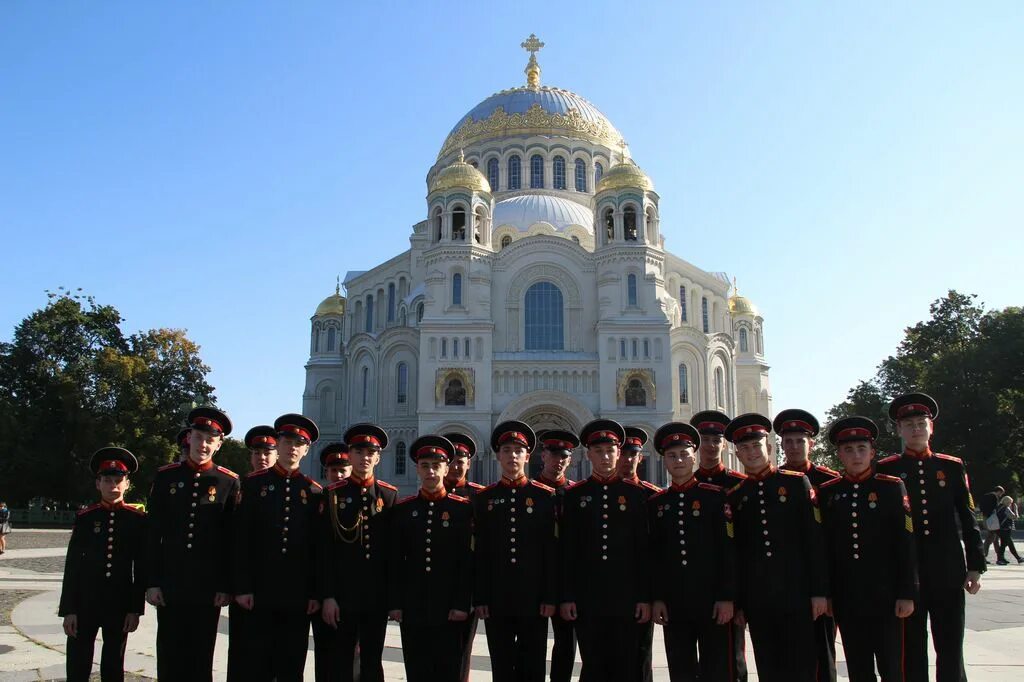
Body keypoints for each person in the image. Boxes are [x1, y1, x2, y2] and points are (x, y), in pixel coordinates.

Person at [875, 392, 985, 682]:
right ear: (899, 430)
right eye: (908, 424)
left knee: (950, 645)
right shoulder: (887, 470)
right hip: (907, 573)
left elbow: (967, 516)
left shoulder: (951, 466)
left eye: (921, 423)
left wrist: (975, 565)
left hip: (947, 568)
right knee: (910, 647)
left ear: (931, 427)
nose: (915, 429)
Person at [725, 413, 828, 682]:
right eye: (744, 449)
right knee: (769, 666)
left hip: (797, 594)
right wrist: (739, 602)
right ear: (737, 454)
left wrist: (819, 592)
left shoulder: (795, 483)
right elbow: (736, 553)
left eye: (756, 446)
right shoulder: (736, 496)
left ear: (769, 448)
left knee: (802, 665)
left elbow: (814, 541)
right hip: (758, 599)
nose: (751, 453)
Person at [818, 417, 917, 682]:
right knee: (858, 667)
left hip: (887, 595)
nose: (856, 455)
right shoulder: (829, 492)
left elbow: (905, 543)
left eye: (862, 449)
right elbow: (824, 549)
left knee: (892, 666)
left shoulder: (892, 487)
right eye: (848, 450)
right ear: (839, 454)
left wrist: (907, 592)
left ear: (872, 452)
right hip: (847, 597)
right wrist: (826, 593)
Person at [146, 406, 240, 682]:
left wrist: (225, 585)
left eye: (210, 440)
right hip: (171, 582)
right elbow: (153, 533)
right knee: (168, 655)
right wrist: (152, 581)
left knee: (201, 658)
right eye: (199, 438)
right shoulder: (167, 477)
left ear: (219, 444)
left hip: (207, 586)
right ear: (189, 438)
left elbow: (230, 539)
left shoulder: (228, 482)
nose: (204, 445)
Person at [559, 419, 650, 682]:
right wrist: (567, 597)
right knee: (594, 666)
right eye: (598, 451)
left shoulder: (635, 495)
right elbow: (568, 550)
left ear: (618, 453)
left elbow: (643, 550)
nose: (605, 457)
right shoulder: (576, 496)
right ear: (588, 455)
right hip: (589, 599)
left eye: (610, 451)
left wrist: (644, 596)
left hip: (627, 598)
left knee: (627, 666)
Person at [233, 415, 323, 681]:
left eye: (299, 443)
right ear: (278, 444)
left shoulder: (314, 491)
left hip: (296, 595)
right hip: (259, 592)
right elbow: (241, 539)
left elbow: (317, 549)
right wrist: (242, 586)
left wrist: (314, 593)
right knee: (257, 663)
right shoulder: (252, 485)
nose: (292, 448)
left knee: (291, 663)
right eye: (286, 441)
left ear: (306, 450)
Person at [649, 422, 736, 682]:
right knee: (681, 669)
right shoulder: (657, 504)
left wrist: (727, 597)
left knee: (717, 669)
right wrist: (658, 597)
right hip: (675, 603)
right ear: (664, 460)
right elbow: (655, 556)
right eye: (672, 456)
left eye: (684, 455)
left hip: (712, 601)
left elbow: (727, 550)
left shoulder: (716, 497)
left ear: (694, 456)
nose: (678, 461)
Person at [473, 421, 557, 682]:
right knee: (501, 665)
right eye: (507, 450)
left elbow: (550, 552)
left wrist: (549, 596)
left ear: (527, 456)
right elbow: (480, 553)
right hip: (497, 599)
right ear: (498, 455)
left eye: (518, 451)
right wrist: (481, 598)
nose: (512, 456)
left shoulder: (544, 497)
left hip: (534, 599)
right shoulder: (485, 499)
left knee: (533, 666)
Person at [388, 435, 473, 682]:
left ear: (446, 468)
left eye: (436, 466)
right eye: (425, 466)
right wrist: (395, 603)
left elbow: (466, 561)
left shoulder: (461, 509)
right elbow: (396, 560)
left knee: (449, 670)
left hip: (449, 607)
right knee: (417, 669)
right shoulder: (404, 510)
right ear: (417, 469)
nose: (431, 471)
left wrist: (461, 604)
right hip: (413, 606)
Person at [319, 424, 399, 682]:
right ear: (350, 455)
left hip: (376, 597)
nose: (365, 457)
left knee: (372, 661)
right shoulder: (333, 495)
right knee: (341, 661)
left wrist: (392, 599)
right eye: (359, 451)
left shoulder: (388, 495)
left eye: (370, 452)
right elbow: (326, 550)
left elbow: (393, 554)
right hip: (343, 596)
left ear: (378, 457)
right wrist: (328, 595)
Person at [60, 447, 147, 682]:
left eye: (119, 480)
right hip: (85, 601)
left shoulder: (136, 519)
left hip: (118, 603)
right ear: (98, 484)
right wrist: (68, 609)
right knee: (78, 663)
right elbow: (73, 566)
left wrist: (135, 609)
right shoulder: (86, 518)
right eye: (107, 480)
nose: (113, 486)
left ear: (127, 484)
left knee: (113, 664)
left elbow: (139, 567)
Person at [774, 409, 839, 682]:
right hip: (786, 583)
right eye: (788, 442)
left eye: (799, 441)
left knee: (822, 652)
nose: (793, 447)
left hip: (823, 581)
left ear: (811, 443)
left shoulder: (831, 481)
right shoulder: (772, 482)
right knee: (787, 655)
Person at [690, 410, 748, 682]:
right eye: (705, 440)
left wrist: (738, 597)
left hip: (729, 589)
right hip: (696, 589)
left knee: (731, 662)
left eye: (716, 440)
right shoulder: (688, 486)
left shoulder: (740, 486)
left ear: (724, 444)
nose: (711, 445)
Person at [227, 425, 279, 682]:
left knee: (272, 658)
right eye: (257, 453)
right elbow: (234, 541)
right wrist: (239, 585)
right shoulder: (240, 487)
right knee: (242, 655)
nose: (262, 458)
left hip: (275, 591)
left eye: (267, 452)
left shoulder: (292, 489)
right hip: (246, 588)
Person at [535, 430, 580, 682]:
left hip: (566, 581)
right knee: (533, 646)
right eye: (553, 455)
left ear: (571, 460)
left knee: (566, 646)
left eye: (564, 456)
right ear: (543, 455)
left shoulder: (575, 495)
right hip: (537, 581)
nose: (558, 461)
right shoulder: (531, 493)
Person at [618, 426, 661, 682]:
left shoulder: (652, 497)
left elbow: (657, 551)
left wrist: (653, 596)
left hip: (640, 593)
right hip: (608, 595)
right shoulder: (599, 494)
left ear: (640, 457)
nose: (627, 459)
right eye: (622, 454)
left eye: (632, 454)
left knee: (641, 657)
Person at [444, 431, 486, 681]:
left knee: (462, 652)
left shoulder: (480, 498)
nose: (456, 466)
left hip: (467, 589)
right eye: (452, 460)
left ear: (469, 463)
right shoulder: (428, 497)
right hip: (435, 588)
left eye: (462, 460)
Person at [312, 442, 354, 681]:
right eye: (333, 471)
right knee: (326, 657)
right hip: (322, 596)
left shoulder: (373, 497)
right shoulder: (317, 499)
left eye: (343, 470)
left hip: (351, 598)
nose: (337, 475)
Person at [980, 485, 1005, 562]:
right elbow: (995, 508)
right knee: (990, 538)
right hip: (991, 519)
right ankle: (983, 557)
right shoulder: (994, 497)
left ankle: (1000, 557)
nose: (1001, 495)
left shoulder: (985, 496)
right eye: (1001, 493)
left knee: (995, 538)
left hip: (985, 517)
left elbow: (981, 507)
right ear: (999, 491)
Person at [996, 495, 1022, 564]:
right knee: (1003, 545)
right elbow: (1015, 517)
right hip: (1005, 529)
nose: (1010, 504)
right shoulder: (1006, 508)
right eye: (1010, 503)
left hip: (999, 528)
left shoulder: (998, 507)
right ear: (1006, 502)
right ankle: (999, 559)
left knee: (1010, 544)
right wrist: (1016, 509)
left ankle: (1018, 558)